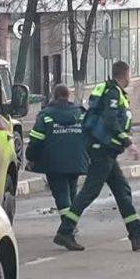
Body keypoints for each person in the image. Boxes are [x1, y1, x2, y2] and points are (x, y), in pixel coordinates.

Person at [54, 61, 140, 252]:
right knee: (89, 192)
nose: (131, 77)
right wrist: (128, 143)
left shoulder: (113, 91)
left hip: (107, 151)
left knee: (122, 191)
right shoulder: (113, 93)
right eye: (130, 73)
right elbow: (110, 120)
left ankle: (136, 235)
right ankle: (65, 232)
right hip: (102, 151)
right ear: (125, 74)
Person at [26, 84, 88, 219]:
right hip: (76, 161)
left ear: (54, 96)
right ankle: (72, 222)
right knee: (72, 191)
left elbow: (36, 140)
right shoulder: (80, 113)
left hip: (54, 163)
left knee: (61, 194)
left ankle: (68, 225)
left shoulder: (46, 115)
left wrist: (30, 157)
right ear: (68, 96)